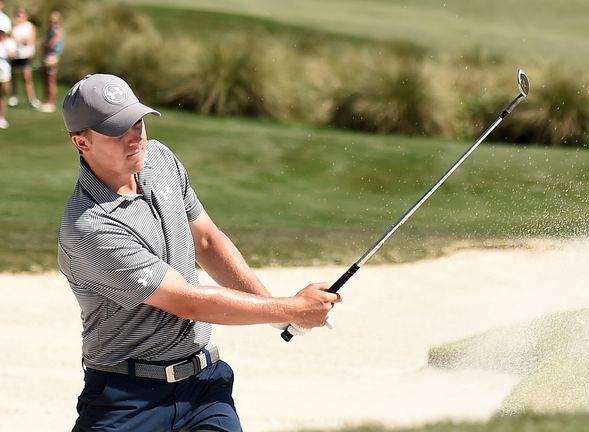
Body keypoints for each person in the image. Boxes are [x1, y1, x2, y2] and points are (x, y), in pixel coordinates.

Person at [58, 74, 341, 431]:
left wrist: (278, 314)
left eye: (137, 122)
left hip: (204, 389)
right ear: (81, 142)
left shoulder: (159, 159)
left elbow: (207, 241)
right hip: (127, 401)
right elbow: (187, 301)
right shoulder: (88, 227)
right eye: (117, 131)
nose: (135, 137)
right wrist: (291, 308)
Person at [8, 6, 40, 109]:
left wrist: (18, 40)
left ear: (25, 16)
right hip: (15, 56)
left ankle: (32, 99)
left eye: (21, 14)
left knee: (27, 78)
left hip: (25, 56)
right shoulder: (14, 27)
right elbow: (11, 40)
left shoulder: (29, 26)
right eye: (17, 15)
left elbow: (29, 40)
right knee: (14, 77)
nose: (19, 16)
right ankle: (14, 96)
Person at [39, 10, 63, 113]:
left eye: (54, 21)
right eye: (50, 21)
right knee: (46, 79)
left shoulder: (57, 31)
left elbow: (51, 44)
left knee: (50, 80)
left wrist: (44, 44)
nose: (51, 23)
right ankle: (46, 101)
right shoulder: (50, 30)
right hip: (47, 56)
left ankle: (51, 103)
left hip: (52, 57)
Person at [0, 10, 15, 129]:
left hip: (4, 72)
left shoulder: (8, 43)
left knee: (3, 95)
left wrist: (5, 44)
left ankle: (1, 117)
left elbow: (12, 54)